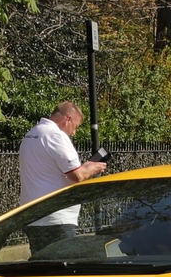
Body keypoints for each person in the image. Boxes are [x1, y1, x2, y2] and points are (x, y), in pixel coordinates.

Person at [18, 101, 107, 241]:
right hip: (56, 217)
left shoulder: (32, 133)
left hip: (32, 215)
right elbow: (77, 176)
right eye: (75, 127)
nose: (74, 132)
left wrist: (83, 168)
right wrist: (92, 169)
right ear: (68, 119)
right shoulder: (55, 136)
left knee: (40, 261)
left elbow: (52, 170)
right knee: (61, 262)